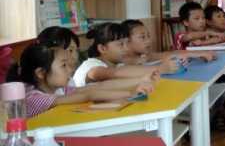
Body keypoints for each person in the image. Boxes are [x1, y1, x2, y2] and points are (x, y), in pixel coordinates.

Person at [7, 43, 156, 117]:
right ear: (41, 73)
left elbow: (95, 87)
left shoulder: (56, 88)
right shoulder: (32, 98)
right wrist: (131, 93)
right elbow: (88, 95)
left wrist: (139, 80)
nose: (70, 69)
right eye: (63, 65)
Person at [73, 23, 170, 87]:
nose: (126, 48)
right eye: (120, 44)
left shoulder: (117, 64)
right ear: (103, 48)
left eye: (126, 43)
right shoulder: (92, 66)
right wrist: (160, 68)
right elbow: (114, 73)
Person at [120, 19, 215, 66]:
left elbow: (171, 53)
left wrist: (199, 53)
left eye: (148, 36)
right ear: (126, 41)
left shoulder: (144, 56)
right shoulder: (123, 62)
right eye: (142, 37)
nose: (149, 40)